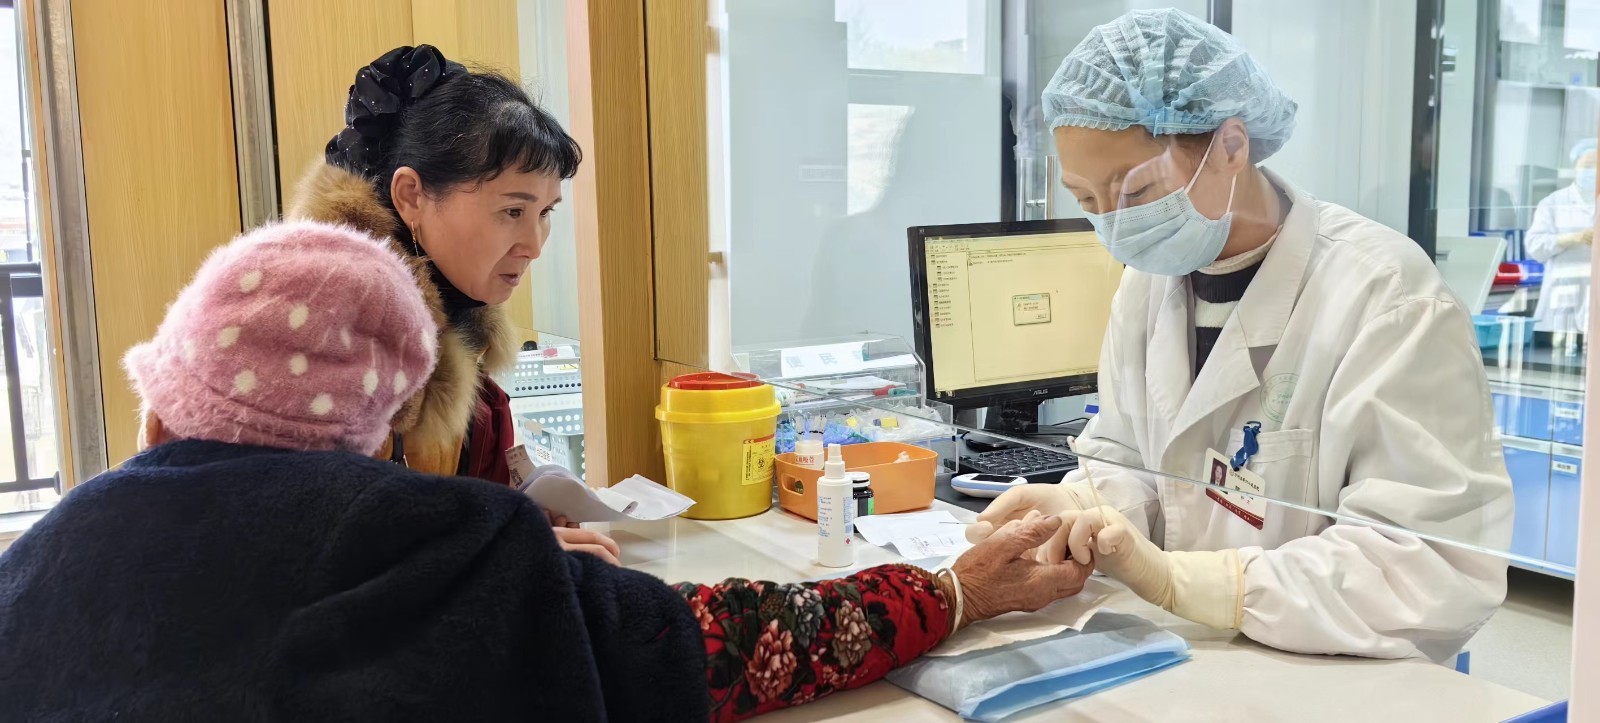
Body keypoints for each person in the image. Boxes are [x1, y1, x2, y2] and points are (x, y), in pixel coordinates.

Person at [0, 222, 1091, 721]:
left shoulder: (45, 553)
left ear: (165, 397)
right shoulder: (430, 535)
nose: (529, 240)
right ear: (389, 417)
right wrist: (956, 589)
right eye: (510, 208)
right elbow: (716, 650)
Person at [970, 9, 1512, 662]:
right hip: (1187, 656)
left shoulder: (1386, 297)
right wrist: (1081, 507)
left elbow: (1428, 566)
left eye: (1136, 191)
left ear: (1231, 146)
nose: (1115, 225)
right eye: (1088, 201)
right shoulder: (1148, 284)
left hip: (1338, 674)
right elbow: (1135, 460)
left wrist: (1194, 583)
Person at [288, 45, 572, 486]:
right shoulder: (319, 339)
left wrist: (525, 513)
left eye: (546, 213)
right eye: (513, 211)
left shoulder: (461, 322)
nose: (534, 247)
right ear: (411, 197)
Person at [1526, 138, 1597, 334]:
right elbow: (1534, 247)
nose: (1593, 171)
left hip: (1595, 291)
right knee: (1556, 345)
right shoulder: (1553, 202)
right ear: (1575, 167)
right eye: (1587, 165)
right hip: (1562, 290)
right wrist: (1571, 238)